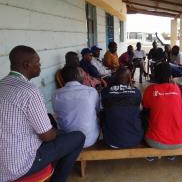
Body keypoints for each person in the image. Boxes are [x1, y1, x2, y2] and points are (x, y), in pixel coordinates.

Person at [0, 45, 85, 182]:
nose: (40, 65)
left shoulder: (2, 84)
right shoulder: (29, 91)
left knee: (58, 132)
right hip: (19, 166)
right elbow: (47, 136)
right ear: (27, 65)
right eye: (37, 62)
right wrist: (56, 132)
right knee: (77, 137)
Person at [142, 62, 182, 150]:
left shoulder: (150, 90)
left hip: (155, 142)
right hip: (180, 141)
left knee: (143, 114)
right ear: (171, 77)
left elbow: (145, 110)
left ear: (154, 76)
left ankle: (151, 153)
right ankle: (170, 153)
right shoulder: (177, 89)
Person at [52, 66, 100, 148]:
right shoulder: (91, 91)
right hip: (90, 139)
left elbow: (58, 113)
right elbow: (97, 110)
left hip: (68, 140)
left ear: (63, 79)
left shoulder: (56, 95)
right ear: (79, 76)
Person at [101, 67, 144, 148]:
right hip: (135, 140)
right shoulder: (136, 92)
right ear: (130, 79)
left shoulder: (105, 92)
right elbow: (140, 109)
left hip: (111, 140)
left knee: (103, 112)